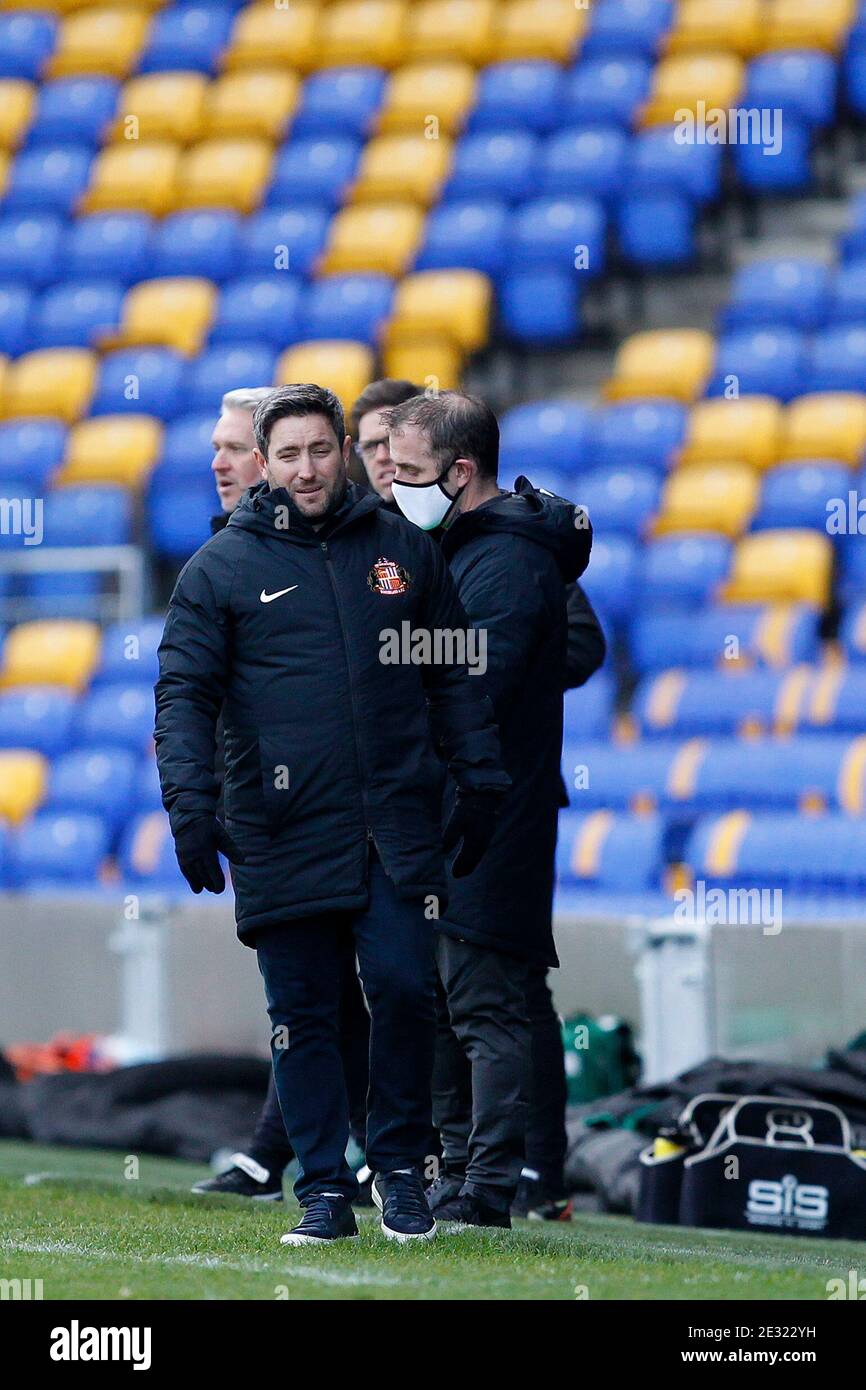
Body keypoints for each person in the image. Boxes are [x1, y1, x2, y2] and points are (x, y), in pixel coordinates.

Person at [155, 383, 509, 1245]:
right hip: (278, 834)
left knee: (401, 992)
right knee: (302, 1016)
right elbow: (183, 695)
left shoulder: (402, 550)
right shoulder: (220, 569)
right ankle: (319, 1187)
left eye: (321, 449)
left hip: (394, 830)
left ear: (347, 449)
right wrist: (190, 809)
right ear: (264, 466)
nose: (307, 469)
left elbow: (454, 672)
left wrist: (481, 778)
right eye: (288, 455)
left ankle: (397, 1170)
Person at [384, 391, 592, 1228]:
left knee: (486, 1005)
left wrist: (385, 663)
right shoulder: (470, 548)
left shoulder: (506, 562)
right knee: (443, 1005)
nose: (394, 488)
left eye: (408, 474)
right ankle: (458, 1169)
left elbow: (474, 677)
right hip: (453, 813)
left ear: (460, 472)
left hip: (492, 820)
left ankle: (489, 1188)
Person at [189, 387, 372, 1203]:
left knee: (373, 990)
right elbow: (188, 691)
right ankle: (315, 1157)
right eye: (219, 448)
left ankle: (411, 1160)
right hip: (271, 810)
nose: (223, 462)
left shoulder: (375, 546)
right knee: (311, 992)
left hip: (366, 814)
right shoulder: (228, 555)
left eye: (236, 447)